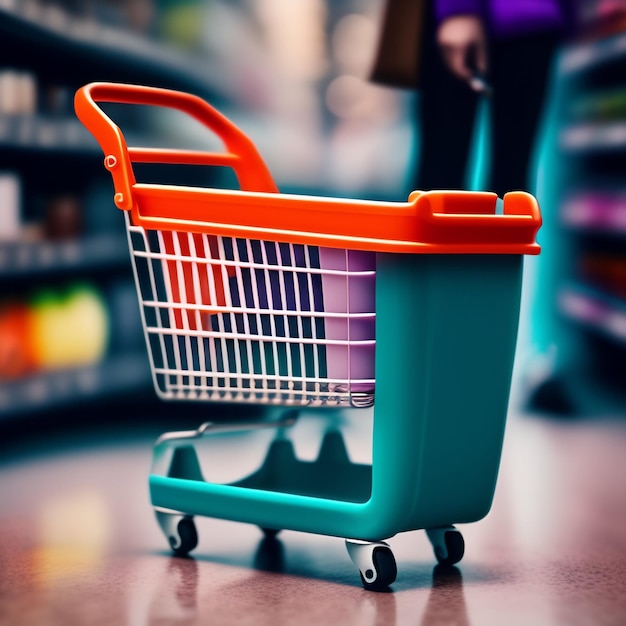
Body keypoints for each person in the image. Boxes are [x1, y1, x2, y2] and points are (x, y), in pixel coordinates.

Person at [416, 0, 572, 197]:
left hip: (530, 20)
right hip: (497, 15)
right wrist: (457, 8)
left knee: (511, 186)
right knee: (442, 179)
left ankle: (502, 227)